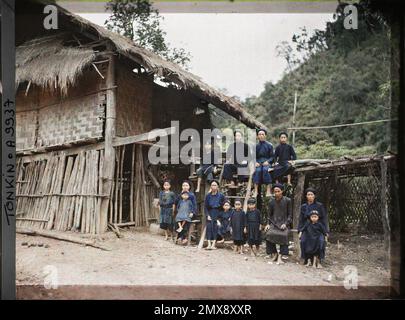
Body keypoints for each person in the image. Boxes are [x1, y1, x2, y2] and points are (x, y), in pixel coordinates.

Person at [298, 187, 329, 263]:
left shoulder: (319, 206)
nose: (310, 196)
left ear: (314, 196)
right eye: (308, 194)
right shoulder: (303, 206)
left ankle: (318, 259)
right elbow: (301, 219)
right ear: (306, 196)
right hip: (307, 227)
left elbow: (324, 218)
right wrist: (300, 230)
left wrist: (326, 231)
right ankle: (307, 259)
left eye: (312, 194)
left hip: (318, 227)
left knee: (320, 241)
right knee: (303, 241)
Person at [264, 183, 292, 264]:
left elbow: (290, 215)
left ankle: (280, 256)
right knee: (268, 234)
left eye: (278, 191)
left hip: (284, 223)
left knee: (284, 235)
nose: (276, 193)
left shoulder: (287, 200)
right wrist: (268, 224)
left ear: (282, 191)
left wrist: (286, 224)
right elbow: (269, 215)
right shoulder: (271, 201)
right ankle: (275, 254)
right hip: (274, 223)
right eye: (275, 191)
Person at [204, 180, 226, 250]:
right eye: (212, 185)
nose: (213, 186)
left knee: (216, 228)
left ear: (217, 186)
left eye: (215, 185)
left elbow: (224, 205)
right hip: (210, 212)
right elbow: (206, 206)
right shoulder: (208, 196)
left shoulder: (221, 195)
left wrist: (220, 215)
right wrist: (207, 215)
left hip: (218, 213)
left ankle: (213, 244)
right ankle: (209, 244)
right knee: (209, 227)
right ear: (210, 186)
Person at [253, 129, 274, 198]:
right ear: (257, 136)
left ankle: (268, 190)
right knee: (257, 171)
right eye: (259, 134)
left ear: (265, 136)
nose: (261, 136)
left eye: (262, 134)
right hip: (258, 162)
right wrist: (255, 162)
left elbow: (272, 157)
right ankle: (256, 191)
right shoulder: (255, 146)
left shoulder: (269, 145)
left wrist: (268, 161)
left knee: (266, 170)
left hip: (267, 162)